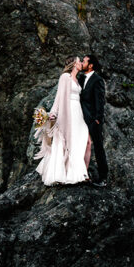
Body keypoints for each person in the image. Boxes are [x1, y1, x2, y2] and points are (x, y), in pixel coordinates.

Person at [35, 56, 91, 185]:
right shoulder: (65, 77)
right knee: (70, 141)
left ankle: (79, 172)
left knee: (83, 140)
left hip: (79, 113)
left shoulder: (77, 80)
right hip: (69, 113)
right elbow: (59, 97)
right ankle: (68, 173)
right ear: (74, 64)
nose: (81, 63)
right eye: (79, 61)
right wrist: (53, 113)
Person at [79, 54, 108, 187]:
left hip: (93, 120)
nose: (81, 63)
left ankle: (103, 178)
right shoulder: (80, 78)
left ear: (90, 65)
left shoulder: (97, 80)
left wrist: (98, 119)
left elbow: (100, 101)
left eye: (84, 61)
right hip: (80, 118)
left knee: (98, 147)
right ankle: (82, 173)